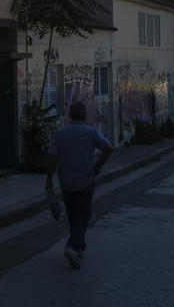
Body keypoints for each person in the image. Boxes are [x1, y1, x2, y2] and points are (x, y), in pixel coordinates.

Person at [45, 101, 113, 269]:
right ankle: (73, 247)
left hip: (66, 182)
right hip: (85, 181)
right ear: (84, 116)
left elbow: (52, 157)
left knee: (73, 215)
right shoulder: (90, 132)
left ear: (70, 115)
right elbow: (108, 148)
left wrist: (49, 179)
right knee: (83, 215)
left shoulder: (60, 134)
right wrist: (97, 167)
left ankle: (77, 247)